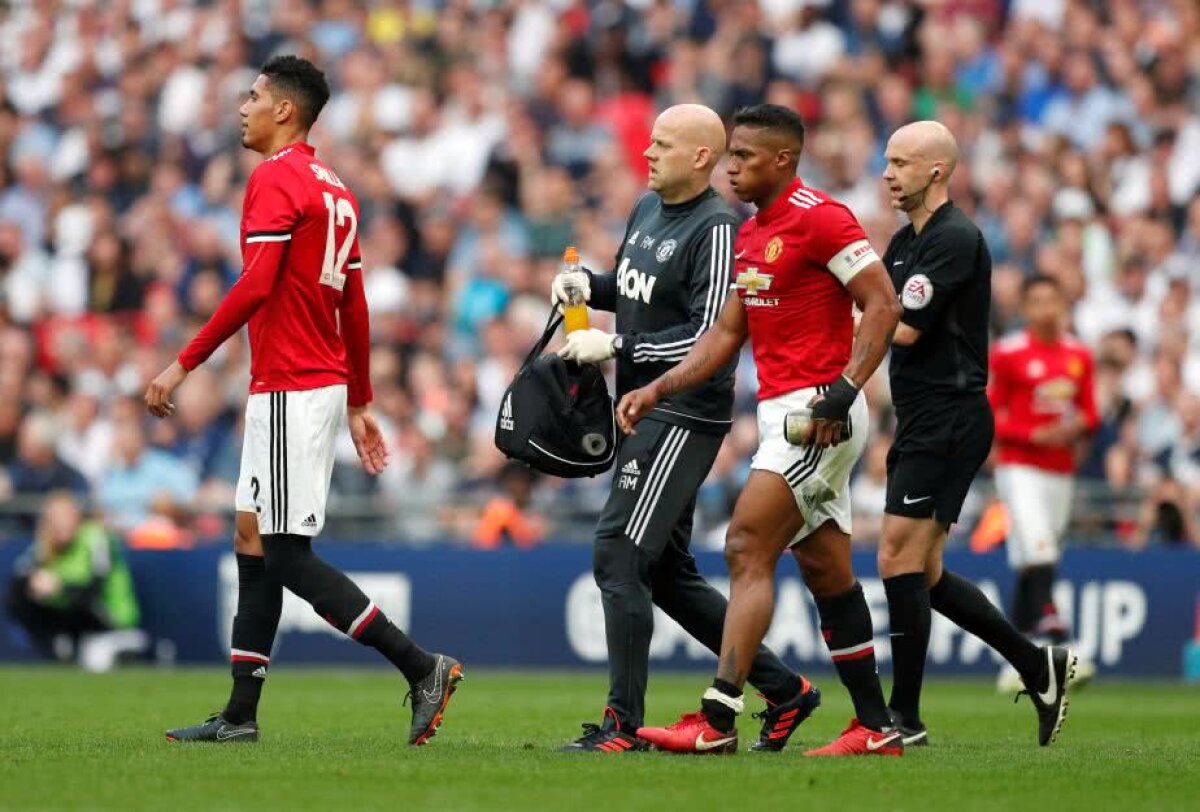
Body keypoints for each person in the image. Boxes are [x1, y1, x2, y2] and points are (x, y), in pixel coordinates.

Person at [145, 56, 462, 745]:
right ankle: (239, 716)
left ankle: (421, 667)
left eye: (254, 95)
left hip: (292, 383)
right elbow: (353, 301)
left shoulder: (275, 179)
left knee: (287, 554)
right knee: (252, 541)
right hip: (304, 385)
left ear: (284, 110)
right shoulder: (335, 188)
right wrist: (360, 399)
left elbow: (257, 286)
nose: (243, 105)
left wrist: (182, 363)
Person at [624, 103, 905, 757]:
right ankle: (875, 725)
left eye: (743, 156)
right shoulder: (753, 233)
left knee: (747, 544)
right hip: (785, 407)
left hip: (819, 412)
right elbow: (725, 334)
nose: (731, 167)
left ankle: (717, 720)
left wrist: (842, 393)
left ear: (782, 159)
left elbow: (883, 302)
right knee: (826, 570)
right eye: (730, 155)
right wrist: (659, 386)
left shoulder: (821, 217)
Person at [551, 103, 818, 753]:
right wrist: (589, 286)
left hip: (685, 412)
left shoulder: (720, 225)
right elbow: (638, 291)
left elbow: (710, 334)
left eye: (662, 144)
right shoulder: (646, 210)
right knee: (665, 573)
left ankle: (622, 726)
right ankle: (786, 691)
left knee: (618, 551)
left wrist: (616, 349)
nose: (647, 153)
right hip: (645, 405)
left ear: (701, 156)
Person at [877, 120, 1076, 749]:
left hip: (950, 414)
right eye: (887, 160)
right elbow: (883, 312)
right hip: (922, 415)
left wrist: (860, 312)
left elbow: (903, 328)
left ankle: (902, 719)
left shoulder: (955, 238)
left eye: (901, 162)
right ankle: (1036, 664)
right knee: (923, 570)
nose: (888, 172)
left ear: (936, 170)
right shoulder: (903, 242)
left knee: (897, 559)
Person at [989, 275, 1099, 692]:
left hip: (1060, 469)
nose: (1045, 309)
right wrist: (1028, 433)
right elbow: (991, 411)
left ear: (1062, 304)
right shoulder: (1009, 353)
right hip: (1019, 466)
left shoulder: (1078, 354)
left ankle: (1016, 663)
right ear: (1024, 307)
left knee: (1029, 562)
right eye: (1036, 301)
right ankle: (1060, 641)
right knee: (1040, 547)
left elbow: (1090, 412)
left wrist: (1075, 428)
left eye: (1052, 300)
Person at [6, 490, 143, 670]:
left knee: (96, 661)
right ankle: (59, 643)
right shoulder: (45, 545)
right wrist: (33, 581)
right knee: (19, 598)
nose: (61, 524)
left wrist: (59, 587)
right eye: (54, 519)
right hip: (70, 618)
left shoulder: (96, 537)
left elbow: (95, 590)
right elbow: (18, 582)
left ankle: (119, 642)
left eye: (66, 517)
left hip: (107, 618)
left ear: (76, 516)